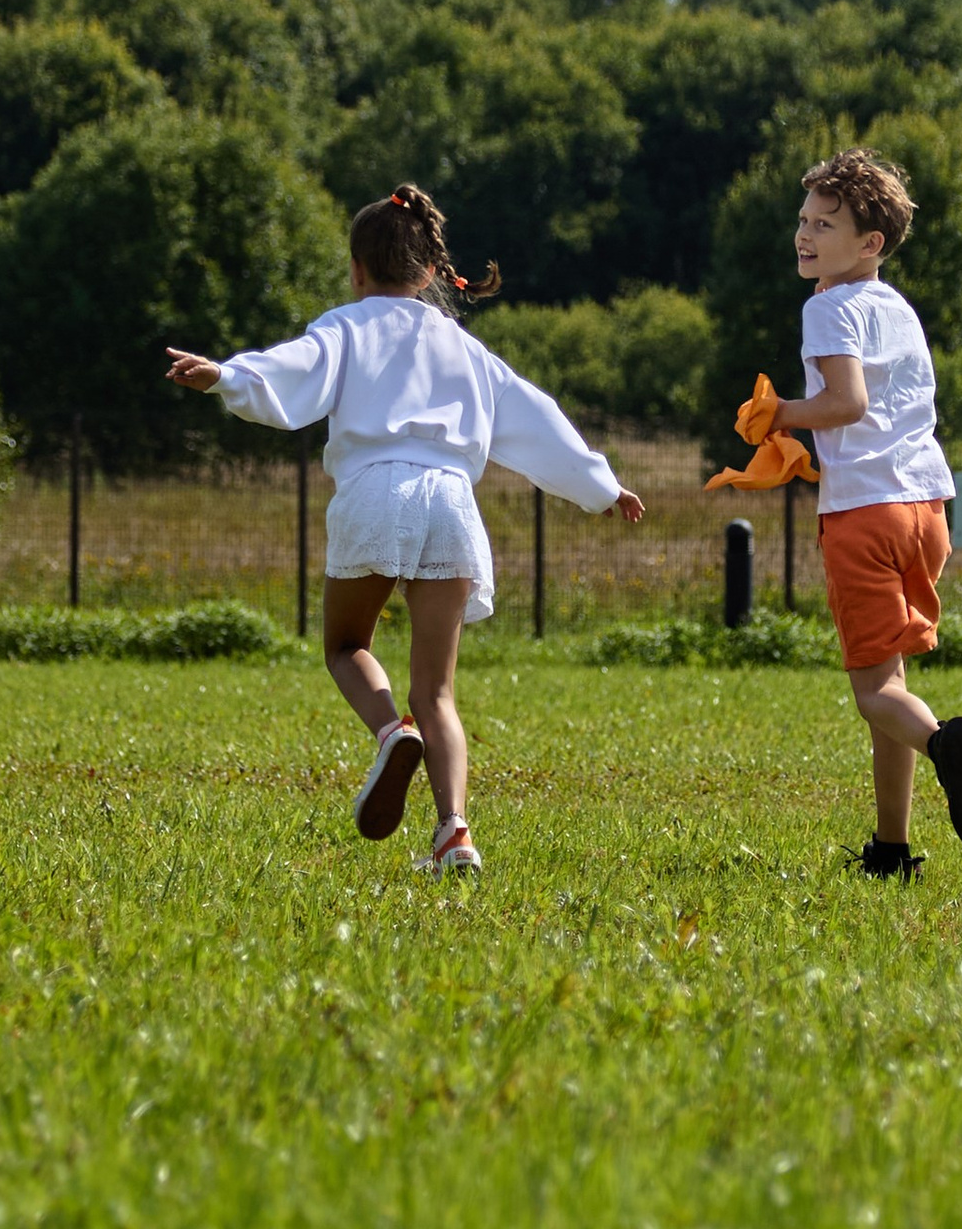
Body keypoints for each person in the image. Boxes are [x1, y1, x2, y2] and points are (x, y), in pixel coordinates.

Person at [165, 183, 644, 874]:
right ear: (429, 272)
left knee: (346, 644)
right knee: (439, 691)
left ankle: (391, 732)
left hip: (374, 492)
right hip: (452, 502)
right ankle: (455, 831)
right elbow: (537, 421)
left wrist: (226, 377)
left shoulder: (346, 325)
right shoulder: (466, 349)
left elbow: (291, 370)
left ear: (357, 270)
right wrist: (602, 486)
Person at [767, 147, 962, 879]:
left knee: (875, 692)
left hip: (865, 515)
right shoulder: (896, 308)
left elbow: (846, 404)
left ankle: (945, 745)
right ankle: (892, 849)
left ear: (869, 244)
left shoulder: (827, 307)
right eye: (804, 220)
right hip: (928, 509)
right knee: (889, 687)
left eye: (825, 225)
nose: (805, 235)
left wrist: (779, 414)